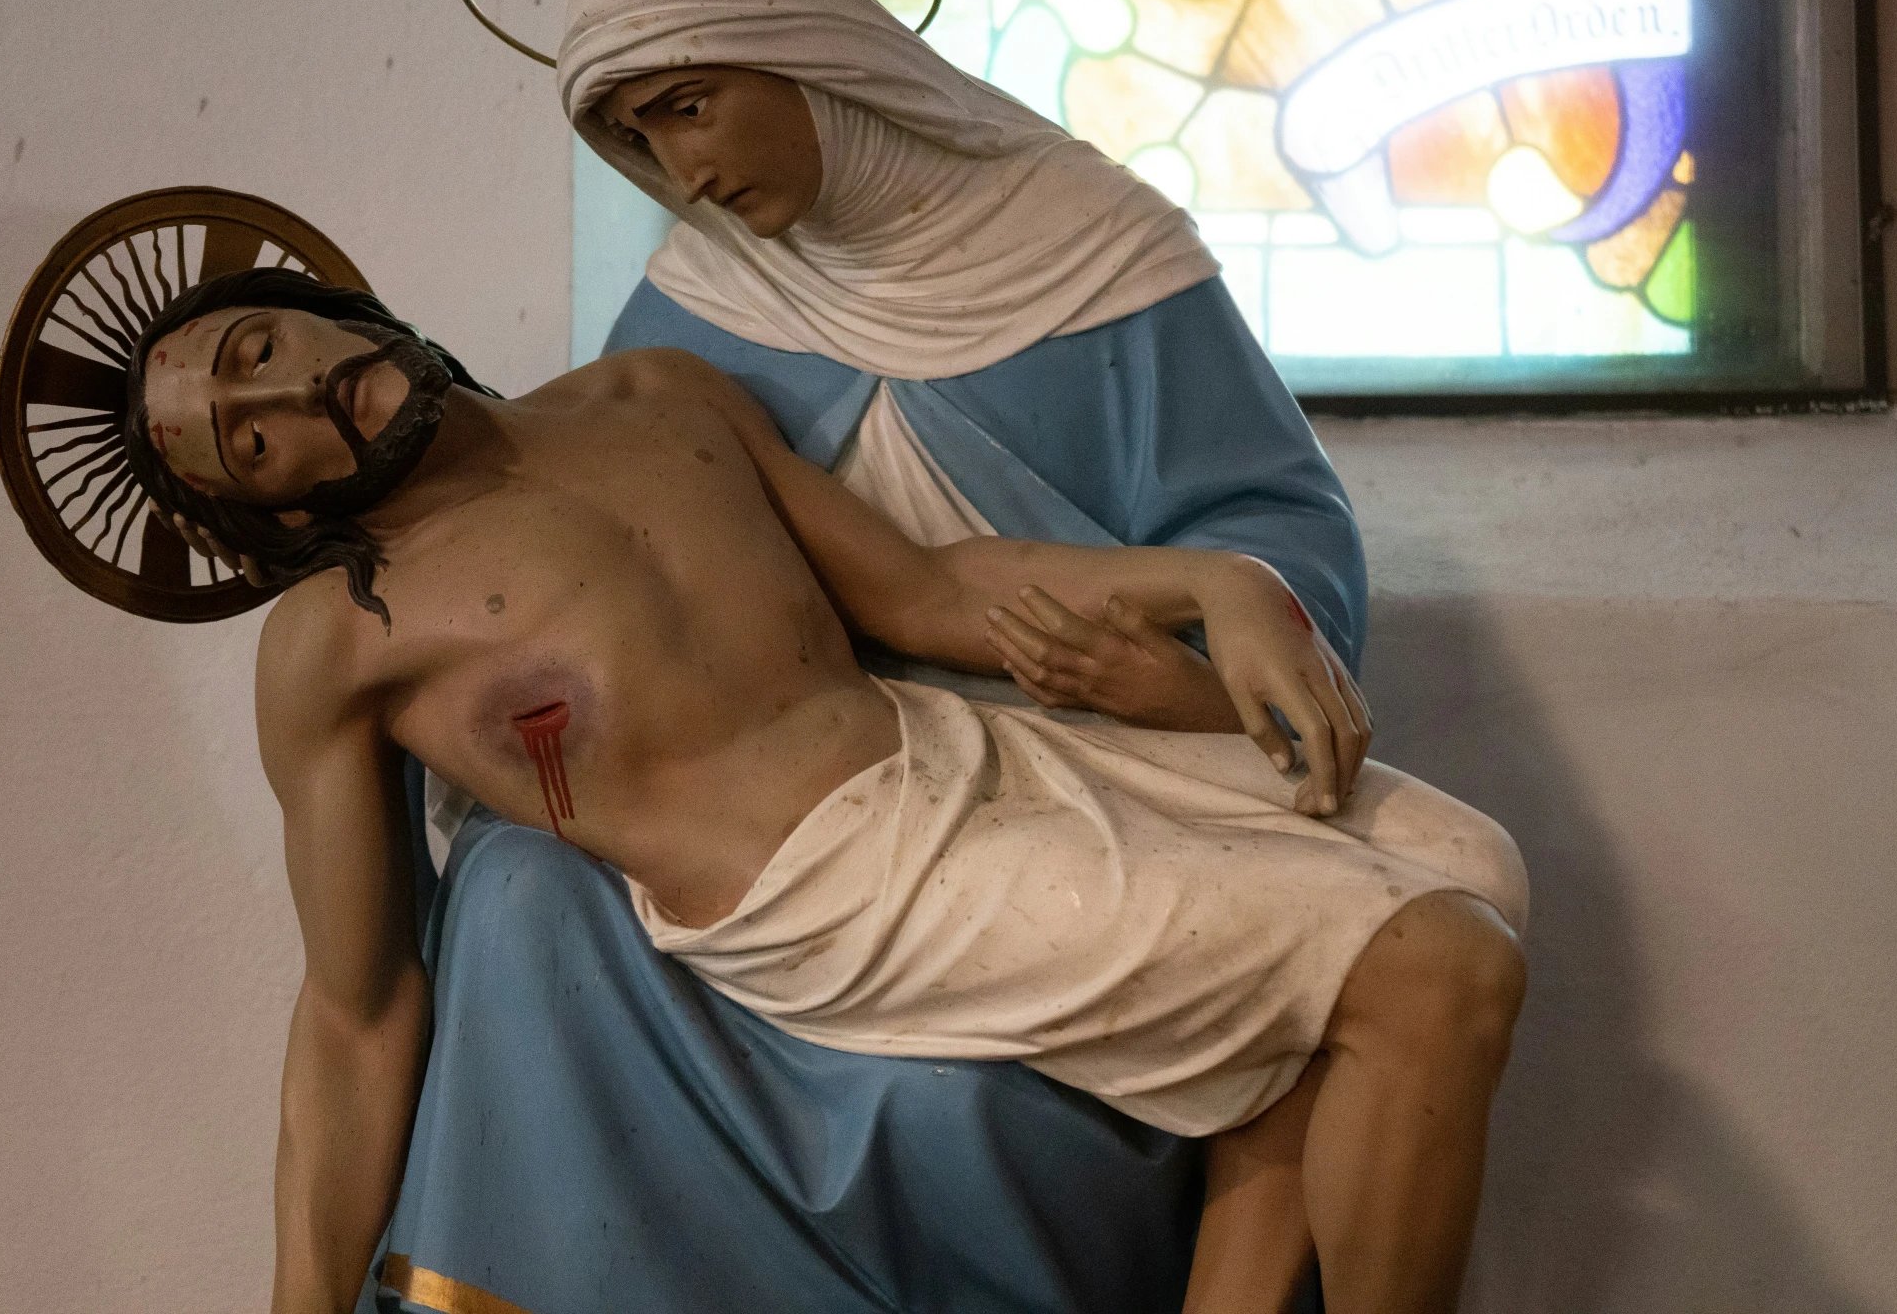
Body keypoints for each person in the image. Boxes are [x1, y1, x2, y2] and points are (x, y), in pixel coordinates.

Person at [131, 268, 1526, 1314]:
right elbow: (356, 1010)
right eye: (246, 442)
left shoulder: (656, 398)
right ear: (274, 512)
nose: (285, 398)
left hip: (958, 770)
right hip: (830, 896)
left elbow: (931, 595)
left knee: (1458, 867)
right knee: (1434, 975)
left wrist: (1222, 583)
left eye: (259, 352)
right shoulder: (337, 641)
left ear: (316, 304)